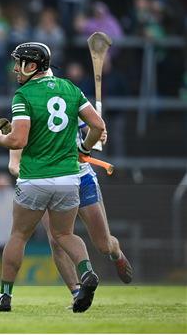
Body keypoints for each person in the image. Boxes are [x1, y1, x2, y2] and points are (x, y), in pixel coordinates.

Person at [0, 42, 105, 313]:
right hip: (67, 179)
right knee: (65, 234)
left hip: (35, 179)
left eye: (20, 63)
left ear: (33, 66)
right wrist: (84, 149)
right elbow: (98, 126)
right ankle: (86, 272)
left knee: (18, 235)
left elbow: (19, 139)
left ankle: (5, 297)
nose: (15, 68)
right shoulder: (71, 89)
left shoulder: (23, 95)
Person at [8, 121, 133, 303]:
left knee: (103, 245)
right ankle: (77, 294)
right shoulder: (26, 110)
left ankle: (116, 252)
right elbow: (14, 164)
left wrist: (97, 134)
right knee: (56, 240)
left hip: (81, 178)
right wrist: (32, 176)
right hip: (46, 181)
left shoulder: (70, 98)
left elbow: (92, 128)